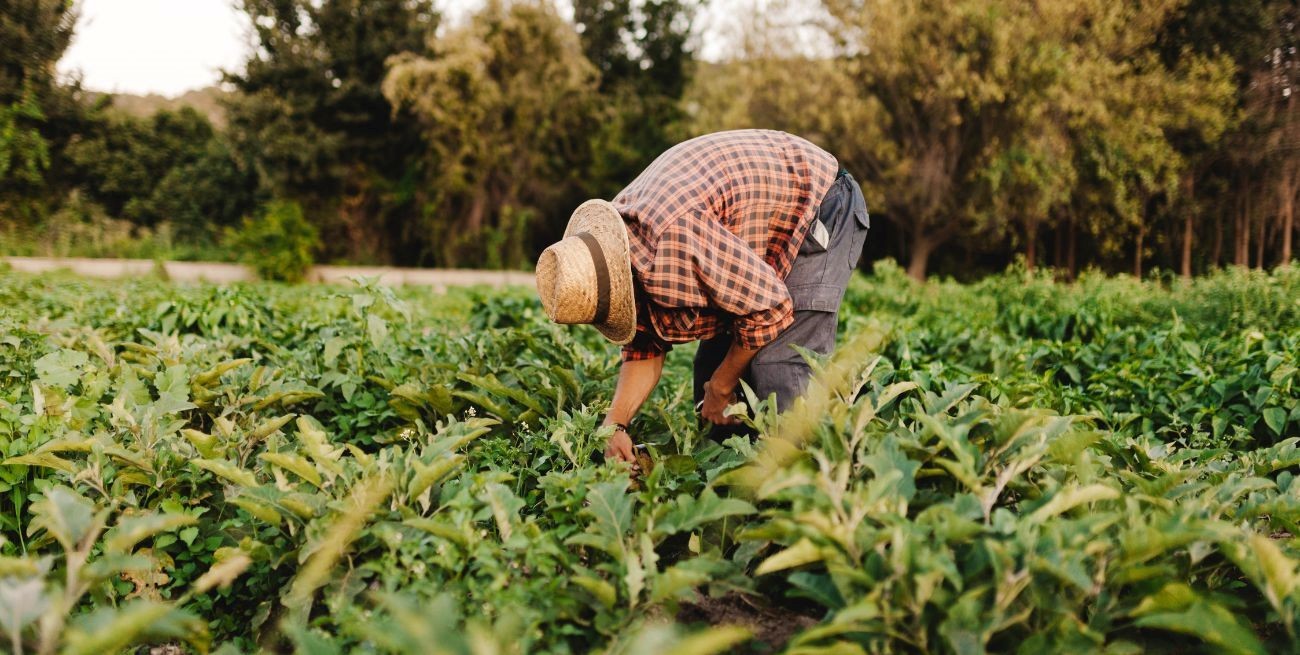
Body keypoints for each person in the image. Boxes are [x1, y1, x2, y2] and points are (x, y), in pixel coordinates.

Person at [535, 129, 869, 464]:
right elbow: (644, 345)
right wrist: (616, 424)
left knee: (780, 368)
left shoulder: (671, 238)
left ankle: (804, 490)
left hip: (820, 203)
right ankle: (732, 482)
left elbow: (769, 308)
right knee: (711, 369)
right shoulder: (624, 247)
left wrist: (722, 387)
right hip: (748, 234)